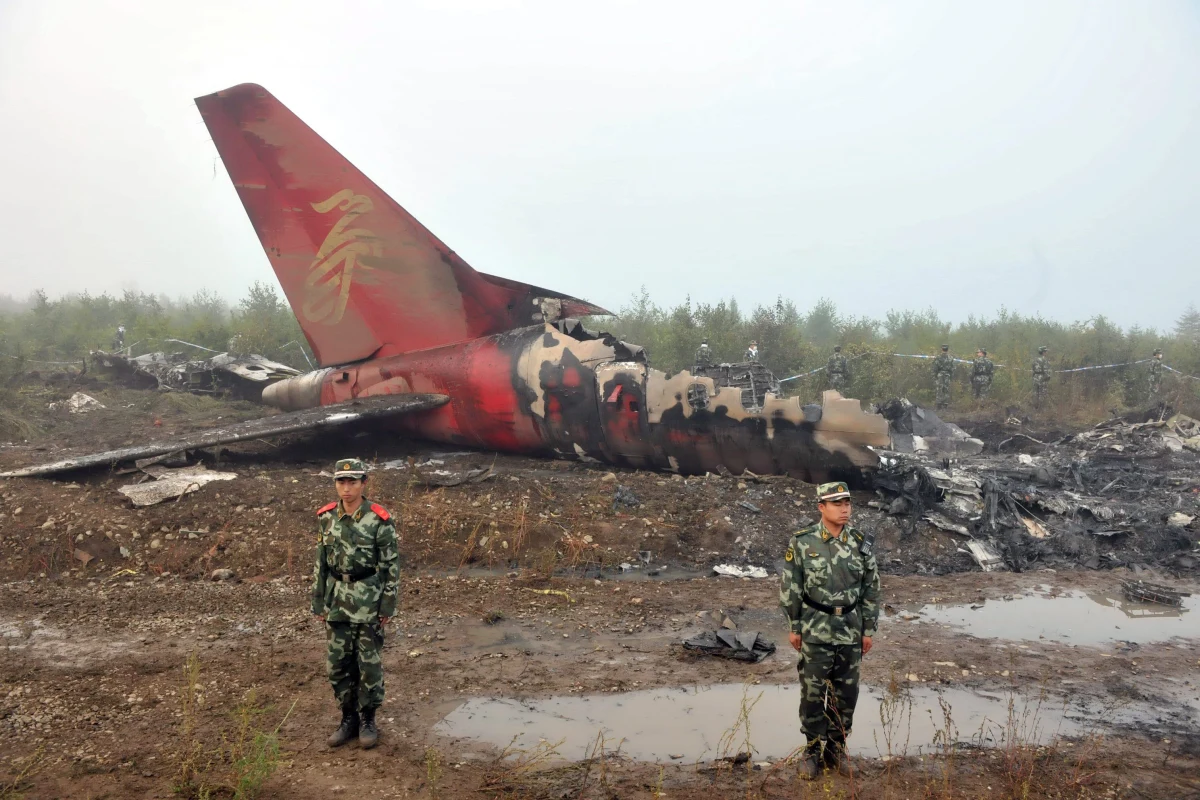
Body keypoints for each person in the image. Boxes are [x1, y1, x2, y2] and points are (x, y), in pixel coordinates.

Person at [780, 481, 880, 779]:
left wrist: (868, 629)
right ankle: (811, 749)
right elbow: (791, 587)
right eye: (837, 504)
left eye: (847, 503)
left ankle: (836, 748)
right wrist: (794, 626)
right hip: (815, 629)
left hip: (850, 629)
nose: (845, 509)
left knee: (846, 694)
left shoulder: (861, 543)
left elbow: (870, 588)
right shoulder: (803, 542)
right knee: (812, 694)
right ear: (821, 507)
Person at [311, 458, 400, 749]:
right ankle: (348, 717)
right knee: (338, 665)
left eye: (352, 482)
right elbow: (321, 564)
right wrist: (318, 602)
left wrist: (387, 606)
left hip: (368, 600)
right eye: (341, 482)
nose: (346, 488)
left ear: (364, 483)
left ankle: (368, 719)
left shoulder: (378, 518)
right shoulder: (326, 517)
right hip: (336, 600)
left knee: (369, 665)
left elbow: (391, 566)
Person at [933, 344, 954, 410]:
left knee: (939, 389)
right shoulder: (951, 358)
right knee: (946, 390)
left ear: (942, 349)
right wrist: (951, 376)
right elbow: (952, 368)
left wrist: (935, 376)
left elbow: (935, 368)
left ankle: (938, 405)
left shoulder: (938, 357)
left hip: (940, 374)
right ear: (947, 349)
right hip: (947, 375)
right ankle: (945, 405)